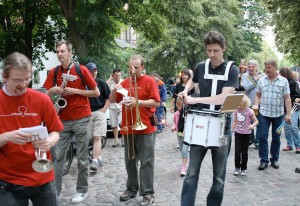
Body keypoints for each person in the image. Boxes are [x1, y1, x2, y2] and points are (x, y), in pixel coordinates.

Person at [179, 31, 239, 206]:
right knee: (191, 174)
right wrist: (185, 91)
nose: (212, 55)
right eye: (209, 50)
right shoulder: (201, 66)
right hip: (200, 124)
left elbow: (223, 98)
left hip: (222, 126)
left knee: (219, 177)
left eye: (216, 50)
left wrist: (196, 99)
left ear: (223, 48)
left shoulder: (232, 69)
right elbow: (192, 81)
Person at [0, 52, 63, 205]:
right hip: (8, 180)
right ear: (5, 76)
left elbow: (55, 130)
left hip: (43, 176)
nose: (23, 84)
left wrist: (49, 141)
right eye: (17, 80)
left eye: (27, 79)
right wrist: (7, 136)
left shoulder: (42, 99)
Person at [43, 41, 100, 203]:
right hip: (63, 119)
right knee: (58, 157)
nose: (59, 54)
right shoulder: (54, 72)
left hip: (82, 117)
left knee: (82, 157)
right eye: (57, 52)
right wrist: (55, 90)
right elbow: (46, 94)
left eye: (62, 51)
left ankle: (82, 190)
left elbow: (96, 92)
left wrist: (75, 91)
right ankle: (56, 192)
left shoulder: (81, 70)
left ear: (70, 53)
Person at [109, 54, 160, 205]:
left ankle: (147, 193)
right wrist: (114, 89)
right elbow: (113, 100)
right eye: (131, 67)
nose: (133, 70)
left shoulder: (149, 81)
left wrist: (138, 102)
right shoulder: (125, 82)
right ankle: (131, 189)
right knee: (130, 162)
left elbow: (156, 102)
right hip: (128, 128)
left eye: (136, 68)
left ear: (143, 67)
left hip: (145, 128)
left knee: (146, 162)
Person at [253, 59, 291, 171]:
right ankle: (263, 160)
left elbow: (287, 98)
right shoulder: (261, 81)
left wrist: (288, 114)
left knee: (276, 137)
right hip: (263, 113)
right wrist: (256, 105)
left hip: (278, 115)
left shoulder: (284, 81)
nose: (267, 70)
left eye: (269, 67)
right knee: (263, 137)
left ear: (275, 68)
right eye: (266, 67)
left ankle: (274, 159)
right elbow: (257, 95)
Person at [86, 62, 111, 171]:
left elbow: (109, 98)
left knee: (97, 137)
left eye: (95, 70)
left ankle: (95, 161)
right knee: (91, 138)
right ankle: (98, 156)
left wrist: (104, 110)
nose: (94, 72)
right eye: (91, 70)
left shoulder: (101, 83)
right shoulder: (84, 84)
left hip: (99, 111)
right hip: (87, 113)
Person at [232, 95, 259, 176]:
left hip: (246, 134)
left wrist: (252, 126)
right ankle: (237, 167)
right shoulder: (236, 110)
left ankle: (244, 168)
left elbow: (256, 121)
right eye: (239, 105)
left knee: (244, 152)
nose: (240, 106)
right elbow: (235, 121)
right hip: (238, 133)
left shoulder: (249, 111)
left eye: (241, 105)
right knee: (237, 151)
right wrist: (232, 129)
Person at [278, 67, 300, 153]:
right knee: (286, 127)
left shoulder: (294, 83)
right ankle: (289, 145)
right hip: (284, 108)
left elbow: (298, 96)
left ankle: (298, 145)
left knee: (293, 126)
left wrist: (291, 99)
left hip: (293, 107)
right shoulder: (281, 82)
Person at [241, 59, 261, 149]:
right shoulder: (245, 76)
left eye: (253, 67)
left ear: (256, 67)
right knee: (249, 121)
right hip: (249, 103)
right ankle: (251, 139)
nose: (251, 68)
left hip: (260, 103)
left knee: (259, 122)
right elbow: (246, 87)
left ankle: (258, 141)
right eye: (249, 67)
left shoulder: (262, 76)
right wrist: (255, 80)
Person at [171, 99, 189, 176]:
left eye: (180, 105)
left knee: (185, 151)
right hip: (179, 134)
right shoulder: (176, 114)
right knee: (182, 151)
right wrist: (174, 127)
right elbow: (175, 123)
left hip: (186, 136)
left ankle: (183, 168)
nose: (179, 107)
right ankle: (185, 161)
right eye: (178, 106)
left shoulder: (188, 114)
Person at [107, 68, 124, 146]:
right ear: (113, 75)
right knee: (114, 124)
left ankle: (124, 139)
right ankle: (116, 140)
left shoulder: (123, 82)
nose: (118, 77)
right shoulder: (110, 83)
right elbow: (103, 86)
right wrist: (109, 78)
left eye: (119, 75)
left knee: (122, 123)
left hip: (121, 105)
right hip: (112, 106)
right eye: (116, 76)